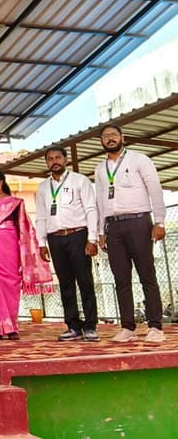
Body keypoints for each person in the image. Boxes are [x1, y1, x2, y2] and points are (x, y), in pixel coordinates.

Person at [95, 124, 167, 343]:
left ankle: (155, 327)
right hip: (113, 226)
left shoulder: (139, 159)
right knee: (121, 278)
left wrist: (160, 221)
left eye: (113, 135)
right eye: (105, 136)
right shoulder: (100, 168)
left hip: (139, 222)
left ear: (122, 137)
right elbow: (100, 200)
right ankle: (127, 327)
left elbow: (155, 189)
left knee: (147, 275)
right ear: (101, 141)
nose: (110, 139)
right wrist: (100, 231)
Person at [0, 169, 53, 340]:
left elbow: (23, 229)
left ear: (0, 182)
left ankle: (11, 326)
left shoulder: (15, 203)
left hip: (7, 245)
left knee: (9, 283)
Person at [35, 146, 99, 342]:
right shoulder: (43, 187)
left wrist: (92, 238)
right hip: (55, 238)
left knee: (85, 281)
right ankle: (73, 326)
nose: (54, 161)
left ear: (65, 159)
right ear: (47, 163)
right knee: (65, 283)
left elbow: (91, 209)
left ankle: (90, 326)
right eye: (50, 159)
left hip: (78, 235)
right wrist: (41, 242)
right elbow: (41, 217)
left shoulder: (80, 180)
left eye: (58, 158)